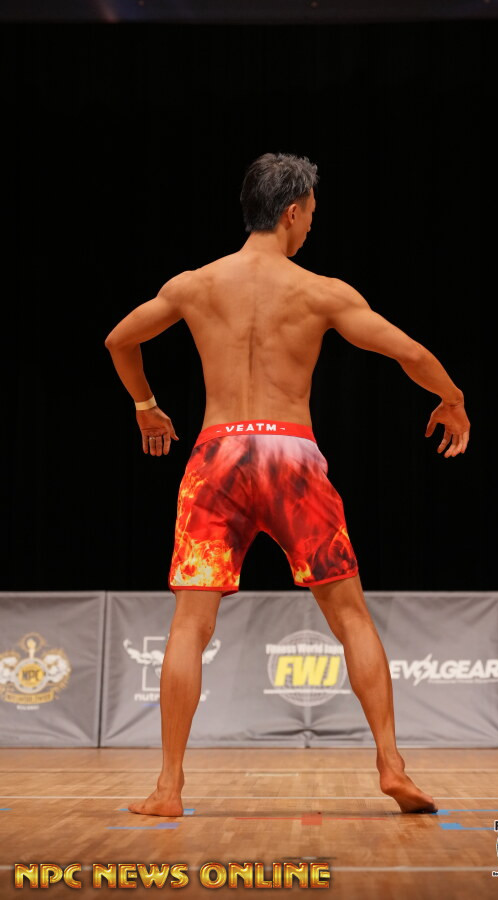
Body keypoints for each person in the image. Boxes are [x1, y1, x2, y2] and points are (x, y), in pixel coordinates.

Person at [104, 152, 470, 818]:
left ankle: (168, 788)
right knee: (350, 617)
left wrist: (146, 407)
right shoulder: (320, 291)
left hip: (217, 456)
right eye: (311, 217)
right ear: (292, 212)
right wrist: (453, 398)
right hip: (292, 457)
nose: (310, 229)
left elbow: (118, 340)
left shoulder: (194, 285)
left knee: (190, 625)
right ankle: (391, 765)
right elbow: (409, 352)